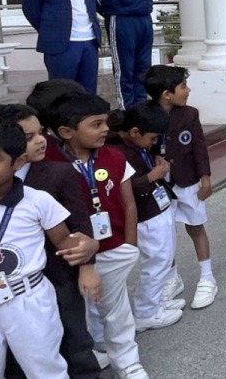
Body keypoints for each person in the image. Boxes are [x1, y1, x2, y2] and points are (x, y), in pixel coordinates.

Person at [0, 104, 101, 379]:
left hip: (40, 290)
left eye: (41, 132)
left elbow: (73, 233)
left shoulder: (46, 186)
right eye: (29, 135)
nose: (40, 140)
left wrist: (89, 253)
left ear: (15, 161)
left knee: (60, 355)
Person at [42, 91, 148, 379]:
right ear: (66, 132)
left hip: (113, 248)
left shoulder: (113, 157)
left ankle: (127, 362)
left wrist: (130, 244)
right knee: (78, 313)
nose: (105, 130)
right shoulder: (48, 165)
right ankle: (91, 352)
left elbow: (128, 203)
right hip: (71, 255)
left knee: (116, 309)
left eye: (106, 123)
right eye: (96, 124)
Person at [143, 65, 217, 310]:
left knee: (196, 226)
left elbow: (199, 147)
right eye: (183, 86)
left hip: (188, 181)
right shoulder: (144, 115)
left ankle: (207, 277)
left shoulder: (189, 114)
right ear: (166, 94)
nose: (188, 90)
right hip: (160, 185)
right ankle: (171, 277)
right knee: (164, 235)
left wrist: (205, 178)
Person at [109, 103, 183, 331]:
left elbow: (145, 157)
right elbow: (126, 187)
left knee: (164, 258)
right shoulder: (118, 152)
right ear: (134, 132)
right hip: (145, 215)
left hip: (157, 207)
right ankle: (146, 312)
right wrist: (153, 175)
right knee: (156, 261)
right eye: (151, 139)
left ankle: (156, 299)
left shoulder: (136, 146)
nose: (153, 144)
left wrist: (154, 162)